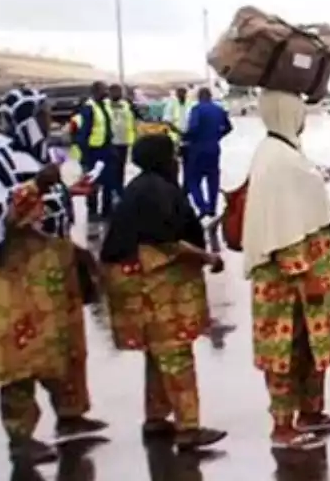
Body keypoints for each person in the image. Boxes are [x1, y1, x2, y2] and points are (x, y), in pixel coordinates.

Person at [0, 88, 108, 464]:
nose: (49, 121)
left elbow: (47, 203)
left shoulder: (38, 153)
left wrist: (69, 191)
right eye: (42, 115)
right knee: (22, 354)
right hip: (14, 276)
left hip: (50, 269)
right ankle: (20, 435)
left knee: (63, 346)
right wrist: (38, 186)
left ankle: (70, 415)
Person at [100, 133, 227, 450]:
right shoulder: (159, 191)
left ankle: (156, 417)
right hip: (153, 282)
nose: (176, 162)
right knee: (175, 351)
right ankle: (188, 427)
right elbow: (167, 241)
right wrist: (208, 257)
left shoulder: (139, 188)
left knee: (157, 352)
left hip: (128, 281)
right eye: (172, 156)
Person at [242, 90, 330, 448]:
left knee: (311, 346)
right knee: (283, 350)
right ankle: (283, 425)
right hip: (289, 279)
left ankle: (312, 412)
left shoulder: (286, 151)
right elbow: (282, 225)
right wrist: (304, 273)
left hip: (309, 270)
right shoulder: (278, 159)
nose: (303, 116)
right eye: (299, 110)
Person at [183, 88, 233, 218]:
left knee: (193, 179)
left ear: (199, 97)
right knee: (213, 179)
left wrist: (185, 137)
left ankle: (202, 205)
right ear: (210, 97)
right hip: (213, 148)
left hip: (197, 149)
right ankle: (212, 208)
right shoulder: (219, 109)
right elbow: (229, 127)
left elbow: (193, 128)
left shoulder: (197, 109)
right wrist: (217, 136)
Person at [72, 81, 113, 222]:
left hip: (106, 149)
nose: (106, 92)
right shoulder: (89, 108)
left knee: (108, 180)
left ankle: (107, 210)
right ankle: (92, 211)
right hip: (93, 150)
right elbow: (84, 133)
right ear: (96, 92)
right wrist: (85, 153)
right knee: (92, 181)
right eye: (104, 90)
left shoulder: (105, 105)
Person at [105, 83, 137, 215]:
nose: (117, 94)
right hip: (110, 143)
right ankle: (108, 204)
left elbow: (132, 120)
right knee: (110, 173)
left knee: (120, 171)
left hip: (123, 142)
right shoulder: (105, 105)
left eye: (119, 91)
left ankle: (120, 198)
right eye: (115, 91)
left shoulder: (126, 105)